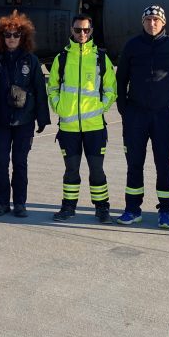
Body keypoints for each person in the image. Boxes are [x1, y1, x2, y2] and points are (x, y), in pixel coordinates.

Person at [114, 5, 169, 228]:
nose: (152, 23)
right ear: (143, 22)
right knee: (134, 164)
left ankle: (165, 210)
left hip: (163, 117)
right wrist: (124, 108)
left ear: (164, 23)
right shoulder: (132, 45)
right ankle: (132, 209)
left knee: (164, 165)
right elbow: (120, 80)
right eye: (148, 19)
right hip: (135, 117)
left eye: (156, 20)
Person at [0, 11, 49, 217]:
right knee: (0, 162)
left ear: (23, 37)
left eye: (16, 35)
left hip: (24, 121)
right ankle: (2, 202)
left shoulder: (31, 61)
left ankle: (19, 203)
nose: (12, 39)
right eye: (7, 35)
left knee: (20, 163)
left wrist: (42, 118)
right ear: (2, 37)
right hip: (1, 121)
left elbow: (40, 90)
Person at [47, 13, 117, 223]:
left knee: (97, 170)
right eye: (78, 30)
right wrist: (59, 107)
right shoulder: (62, 58)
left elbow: (110, 89)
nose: (82, 34)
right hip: (69, 127)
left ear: (91, 31)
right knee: (71, 170)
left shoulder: (100, 58)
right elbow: (52, 87)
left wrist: (99, 107)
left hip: (94, 126)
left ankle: (102, 208)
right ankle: (68, 207)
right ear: (72, 30)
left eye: (86, 30)